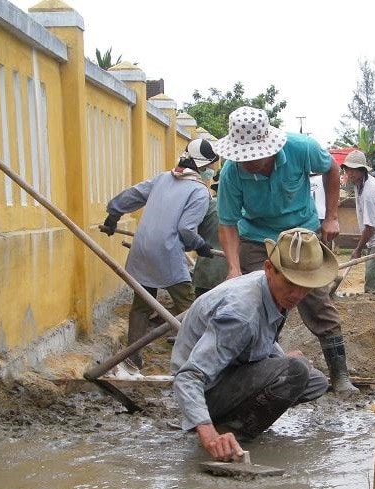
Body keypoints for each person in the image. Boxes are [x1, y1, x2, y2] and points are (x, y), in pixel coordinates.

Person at [213, 106, 358, 395]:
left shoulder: (301, 148)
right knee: (260, 305)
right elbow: (227, 222)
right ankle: (256, 370)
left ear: (270, 145)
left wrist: (331, 216)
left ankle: (340, 376)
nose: (249, 162)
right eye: (244, 157)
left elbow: (331, 168)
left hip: (301, 236)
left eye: (255, 155)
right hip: (256, 240)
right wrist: (233, 269)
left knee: (316, 300)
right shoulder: (232, 172)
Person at [171, 228, 336, 461]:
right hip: (207, 388)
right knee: (295, 372)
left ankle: (232, 422)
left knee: (314, 381)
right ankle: (230, 433)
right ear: (269, 269)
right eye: (291, 283)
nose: (298, 294)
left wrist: (280, 359)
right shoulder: (241, 314)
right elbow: (189, 377)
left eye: (305, 285)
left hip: (231, 371)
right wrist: (207, 434)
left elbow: (261, 337)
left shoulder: (274, 292)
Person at [102, 138, 219, 370]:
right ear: (203, 166)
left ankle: (131, 357)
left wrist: (112, 216)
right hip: (166, 252)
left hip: (142, 249)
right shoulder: (199, 192)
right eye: (211, 166)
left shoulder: (162, 178)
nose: (211, 172)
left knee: (142, 304)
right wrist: (200, 245)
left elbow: (131, 195)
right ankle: (198, 360)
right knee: (189, 306)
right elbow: (186, 229)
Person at [342, 150, 375, 292]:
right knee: (374, 278)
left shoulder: (368, 192)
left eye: (354, 169)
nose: (350, 173)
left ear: (362, 170)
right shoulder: (365, 182)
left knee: (373, 283)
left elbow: (370, 228)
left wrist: (358, 249)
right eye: (348, 169)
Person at [192, 173, 229, 298]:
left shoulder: (207, 205)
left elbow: (192, 232)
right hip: (227, 271)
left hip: (205, 269)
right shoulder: (241, 210)